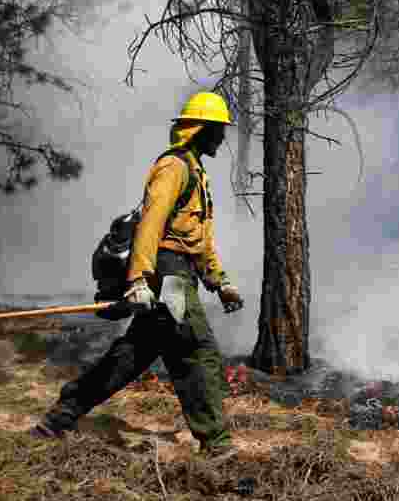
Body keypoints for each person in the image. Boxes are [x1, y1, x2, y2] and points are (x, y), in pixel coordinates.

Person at [32, 91, 244, 461]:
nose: (222, 138)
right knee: (197, 350)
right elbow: (151, 224)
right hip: (168, 275)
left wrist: (219, 281)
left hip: (177, 271)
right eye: (218, 130)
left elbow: (198, 238)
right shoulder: (174, 167)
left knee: (131, 355)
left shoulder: (195, 171)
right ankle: (217, 445)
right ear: (200, 130)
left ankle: (58, 419)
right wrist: (139, 280)